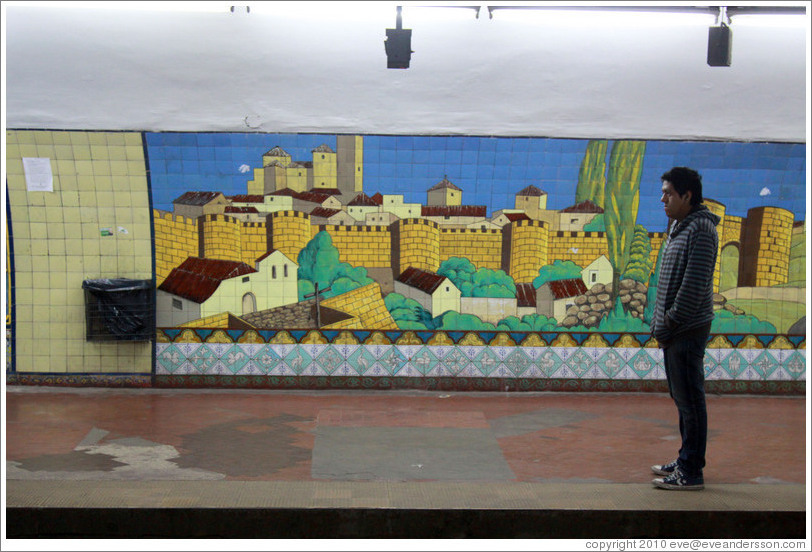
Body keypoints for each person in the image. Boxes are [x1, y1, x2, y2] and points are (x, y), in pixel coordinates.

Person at [650, 167, 720, 491]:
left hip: (687, 330)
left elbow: (692, 290)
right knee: (682, 399)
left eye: (668, 193)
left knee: (691, 400)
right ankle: (685, 458)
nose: (662, 198)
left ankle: (691, 471)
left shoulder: (702, 230)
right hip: (674, 331)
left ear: (687, 196)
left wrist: (670, 322)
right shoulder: (679, 226)